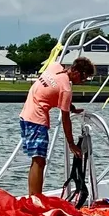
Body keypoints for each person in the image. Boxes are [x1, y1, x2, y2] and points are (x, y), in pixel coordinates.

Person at [19, 57, 96, 196]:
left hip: (25, 116)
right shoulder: (66, 89)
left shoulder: (54, 67)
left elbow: (52, 92)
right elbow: (66, 120)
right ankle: (35, 199)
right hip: (37, 120)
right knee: (39, 160)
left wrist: (71, 107)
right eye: (84, 77)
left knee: (37, 160)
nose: (83, 81)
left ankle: (33, 196)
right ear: (77, 72)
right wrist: (71, 143)